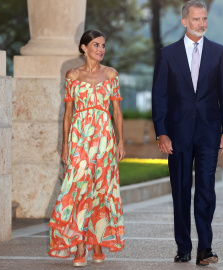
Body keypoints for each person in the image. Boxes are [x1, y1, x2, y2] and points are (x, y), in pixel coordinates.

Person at [151, 0, 223, 266]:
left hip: (209, 134)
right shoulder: (167, 54)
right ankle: (184, 247)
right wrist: (161, 132)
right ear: (185, 21)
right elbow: (159, 97)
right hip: (177, 134)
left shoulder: (220, 52)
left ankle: (205, 249)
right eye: (197, 19)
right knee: (181, 191)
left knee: (206, 191)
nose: (202, 24)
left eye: (204, 19)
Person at [48, 29, 126, 267]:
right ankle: (80, 245)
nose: (101, 49)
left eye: (103, 45)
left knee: (102, 188)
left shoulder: (111, 74)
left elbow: (117, 113)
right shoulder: (72, 75)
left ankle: (98, 241)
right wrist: (64, 145)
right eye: (96, 45)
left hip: (104, 138)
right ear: (84, 48)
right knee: (77, 188)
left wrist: (120, 141)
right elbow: (68, 114)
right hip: (79, 138)